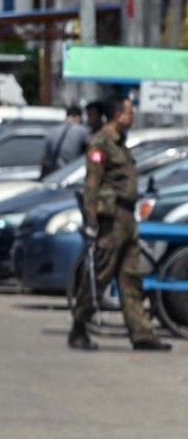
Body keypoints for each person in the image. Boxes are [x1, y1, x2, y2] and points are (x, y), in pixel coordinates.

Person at [69, 97, 172, 352]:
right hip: (110, 220)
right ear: (117, 115)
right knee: (101, 275)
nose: (132, 116)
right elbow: (92, 185)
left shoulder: (121, 144)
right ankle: (79, 326)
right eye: (128, 111)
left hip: (127, 218)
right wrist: (91, 221)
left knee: (131, 278)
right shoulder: (100, 143)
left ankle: (142, 334)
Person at [39, 105, 91, 178]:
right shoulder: (83, 131)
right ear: (79, 117)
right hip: (72, 175)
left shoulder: (52, 131)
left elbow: (45, 157)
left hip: (53, 175)